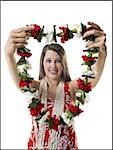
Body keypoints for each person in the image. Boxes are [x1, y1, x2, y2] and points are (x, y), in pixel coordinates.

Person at [4, 22, 107, 150]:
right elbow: (20, 80)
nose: (53, 66)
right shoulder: (35, 88)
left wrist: (101, 55)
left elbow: (92, 79)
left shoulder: (71, 88)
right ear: (42, 63)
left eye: (58, 61)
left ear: (63, 64)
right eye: (48, 61)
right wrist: (9, 55)